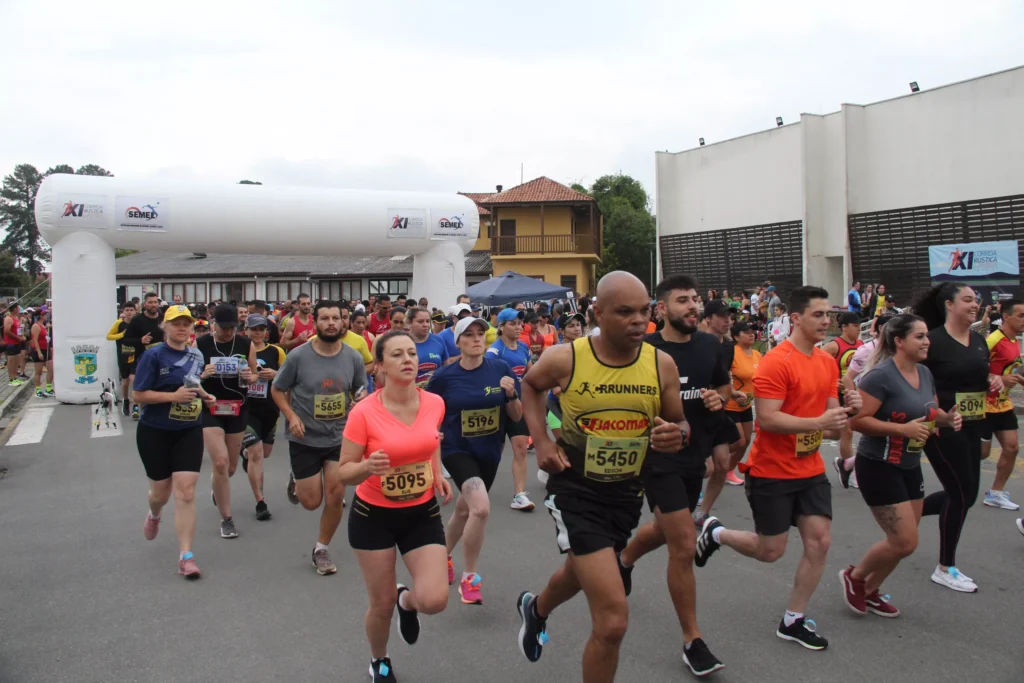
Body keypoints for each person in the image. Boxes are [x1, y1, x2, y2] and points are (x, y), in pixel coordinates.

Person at [515, 272, 686, 683]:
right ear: (598, 313)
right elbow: (531, 387)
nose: (637, 321)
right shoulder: (566, 357)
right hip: (576, 488)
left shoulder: (660, 363)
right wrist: (542, 441)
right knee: (612, 621)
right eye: (625, 312)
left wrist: (674, 435)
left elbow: (680, 425)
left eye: (644, 311)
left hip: (627, 491)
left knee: (582, 570)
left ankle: (536, 608)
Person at [695, 286, 861, 651]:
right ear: (796, 318)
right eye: (818, 315)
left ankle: (793, 620)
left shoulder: (826, 361)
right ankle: (715, 532)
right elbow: (768, 420)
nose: (826, 322)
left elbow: (833, 425)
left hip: (811, 468)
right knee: (770, 552)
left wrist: (850, 411)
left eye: (828, 316)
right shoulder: (777, 361)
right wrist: (821, 422)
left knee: (820, 542)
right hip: (772, 471)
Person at [617, 275, 728, 676]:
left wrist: (721, 398)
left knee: (667, 529)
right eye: (683, 300)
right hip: (655, 456)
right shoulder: (644, 349)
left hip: (693, 456)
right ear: (662, 309)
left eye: (696, 299)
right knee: (682, 543)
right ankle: (692, 640)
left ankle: (625, 559)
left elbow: (724, 387)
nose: (693, 306)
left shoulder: (711, 345)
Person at [338, 330, 453, 683]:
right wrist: (367, 467)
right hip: (373, 517)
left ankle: (409, 603)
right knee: (381, 603)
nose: (408, 360)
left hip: (421, 512)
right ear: (381, 366)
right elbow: (344, 472)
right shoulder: (364, 412)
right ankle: (380, 659)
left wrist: (436, 472)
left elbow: (432, 439)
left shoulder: (434, 402)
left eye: (412, 354)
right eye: (398, 355)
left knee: (434, 600)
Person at [840, 314, 962, 618]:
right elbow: (857, 421)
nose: (926, 341)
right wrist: (903, 430)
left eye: (926, 336)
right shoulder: (879, 376)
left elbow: (930, 410)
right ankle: (854, 578)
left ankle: (870, 589)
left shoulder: (924, 372)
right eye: (919, 336)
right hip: (878, 465)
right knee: (904, 541)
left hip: (909, 463)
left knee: (904, 541)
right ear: (899, 341)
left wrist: (948, 418)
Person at [426, 316, 520, 605]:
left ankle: (441, 559)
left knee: (465, 512)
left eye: (481, 333)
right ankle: (470, 578)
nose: (477, 339)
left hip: (489, 452)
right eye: (469, 335)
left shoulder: (501, 370)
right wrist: (432, 461)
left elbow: (516, 416)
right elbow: (428, 419)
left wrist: (511, 394)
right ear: (458, 342)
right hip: (457, 450)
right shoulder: (443, 378)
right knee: (480, 509)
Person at [914, 283, 1002, 592]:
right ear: (949, 305)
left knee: (968, 494)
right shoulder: (932, 341)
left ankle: (906, 515)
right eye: (967, 299)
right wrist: (934, 415)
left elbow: (980, 375)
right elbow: (916, 381)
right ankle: (945, 566)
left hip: (974, 422)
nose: (974, 304)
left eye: (975, 300)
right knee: (960, 494)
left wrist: (994, 380)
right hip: (942, 426)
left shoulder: (978, 340)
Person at [272, 300, 367, 574]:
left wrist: (359, 400)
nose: (331, 323)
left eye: (335, 318)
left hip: (339, 437)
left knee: (335, 496)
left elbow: (360, 390)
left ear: (343, 322)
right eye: (324, 318)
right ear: (315, 322)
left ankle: (321, 549)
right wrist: (292, 417)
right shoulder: (298, 357)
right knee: (311, 502)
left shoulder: (353, 357)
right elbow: (278, 391)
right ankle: (297, 480)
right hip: (305, 437)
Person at [132, 305, 215, 578]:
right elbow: (139, 395)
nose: (182, 328)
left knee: (186, 492)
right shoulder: (153, 356)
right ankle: (155, 514)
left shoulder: (196, 354)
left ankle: (186, 556)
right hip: (155, 430)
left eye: (186, 323)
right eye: (176, 323)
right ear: (164, 328)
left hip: (188, 429)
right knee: (161, 493)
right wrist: (172, 398)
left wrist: (204, 395)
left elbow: (191, 383)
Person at [197, 304, 257, 538]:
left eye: (233, 328)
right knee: (220, 462)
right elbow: (190, 378)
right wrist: (203, 374)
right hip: (210, 407)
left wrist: (249, 376)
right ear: (214, 326)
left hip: (237, 407)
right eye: (224, 328)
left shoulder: (245, 344)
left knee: (230, 467)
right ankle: (227, 519)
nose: (229, 332)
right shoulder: (200, 345)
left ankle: (217, 486)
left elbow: (254, 376)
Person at [834, 313, 895, 489]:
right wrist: (852, 400)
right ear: (880, 329)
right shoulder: (866, 349)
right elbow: (848, 378)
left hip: (888, 398)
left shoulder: (897, 349)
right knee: (851, 433)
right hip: (863, 397)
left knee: (883, 438)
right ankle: (853, 469)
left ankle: (849, 464)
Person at [486, 308, 535, 512]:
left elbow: (530, 374)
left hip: (518, 404)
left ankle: (519, 495)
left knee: (521, 446)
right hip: (497, 407)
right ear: (501, 326)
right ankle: (478, 491)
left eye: (519, 323)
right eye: (512, 323)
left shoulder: (523, 348)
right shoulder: (494, 352)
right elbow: (487, 379)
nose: (517, 327)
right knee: (493, 453)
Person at [240, 314, 286, 521]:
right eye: (253, 329)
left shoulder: (276, 351)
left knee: (263, 454)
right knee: (256, 452)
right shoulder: (240, 350)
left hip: (270, 409)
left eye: (261, 329)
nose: (257, 333)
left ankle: (245, 456)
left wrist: (275, 374)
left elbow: (288, 376)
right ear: (246, 330)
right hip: (247, 409)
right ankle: (260, 501)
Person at [981, 299, 1024, 511]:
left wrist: (1020, 380)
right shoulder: (993, 339)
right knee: (982, 453)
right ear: (1006, 316)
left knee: (1012, 447)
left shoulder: (1015, 341)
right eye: (1021, 316)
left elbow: (1013, 369)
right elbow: (974, 367)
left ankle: (995, 493)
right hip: (983, 403)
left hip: (1003, 403)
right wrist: (996, 379)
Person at [821, 312, 864, 484]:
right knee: (847, 432)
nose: (859, 330)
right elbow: (814, 363)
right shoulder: (834, 346)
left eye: (860, 326)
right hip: (837, 395)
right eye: (855, 326)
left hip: (854, 395)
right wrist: (832, 381)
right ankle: (851, 471)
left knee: (837, 434)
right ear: (844, 327)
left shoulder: (861, 345)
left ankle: (803, 432)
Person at [124, 292, 166, 419]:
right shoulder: (138, 320)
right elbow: (126, 339)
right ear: (144, 304)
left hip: (163, 358)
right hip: (143, 359)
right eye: (150, 302)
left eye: (155, 302)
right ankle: (143, 414)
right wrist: (140, 341)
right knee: (144, 387)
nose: (153, 305)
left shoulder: (163, 318)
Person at [546, 312, 585, 441]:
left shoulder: (585, 349)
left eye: (578, 325)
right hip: (559, 406)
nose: (577, 329)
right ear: (561, 331)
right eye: (571, 326)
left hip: (579, 407)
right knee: (567, 450)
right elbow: (556, 390)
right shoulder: (556, 352)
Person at [405, 307, 448, 387]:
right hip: (409, 391)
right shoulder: (402, 342)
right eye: (420, 321)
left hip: (435, 390)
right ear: (410, 322)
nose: (425, 325)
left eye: (428, 321)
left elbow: (446, 366)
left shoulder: (438, 340)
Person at [108, 303, 137, 415]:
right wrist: (121, 335)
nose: (129, 312)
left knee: (134, 379)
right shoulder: (119, 323)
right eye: (127, 310)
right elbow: (109, 336)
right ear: (123, 312)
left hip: (135, 355)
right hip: (123, 355)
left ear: (135, 311)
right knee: (125, 382)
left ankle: (135, 404)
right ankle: (126, 399)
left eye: (131, 310)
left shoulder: (137, 323)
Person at [29, 310, 53, 398]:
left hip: (46, 349)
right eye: (45, 314)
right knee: (38, 372)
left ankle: (49, 388)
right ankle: (38, 390)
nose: (46, 316)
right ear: (40, 316)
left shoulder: (44, 325)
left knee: (51, 369)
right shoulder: (36, 326)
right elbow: (35, 340)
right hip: (39, 350)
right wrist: (39, 352)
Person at [4, 302, 26, 387]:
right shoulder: (8, 318)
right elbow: (7, 331)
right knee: (11, 360)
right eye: (17, 308)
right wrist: (17, 338)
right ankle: (11, 378)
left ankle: (15, 377)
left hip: (17, 342)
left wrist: (22, 336)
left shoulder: (16, 318)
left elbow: (18, 330)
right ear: (14, 309)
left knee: (17, 360)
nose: (19, 309)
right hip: (11, 343)